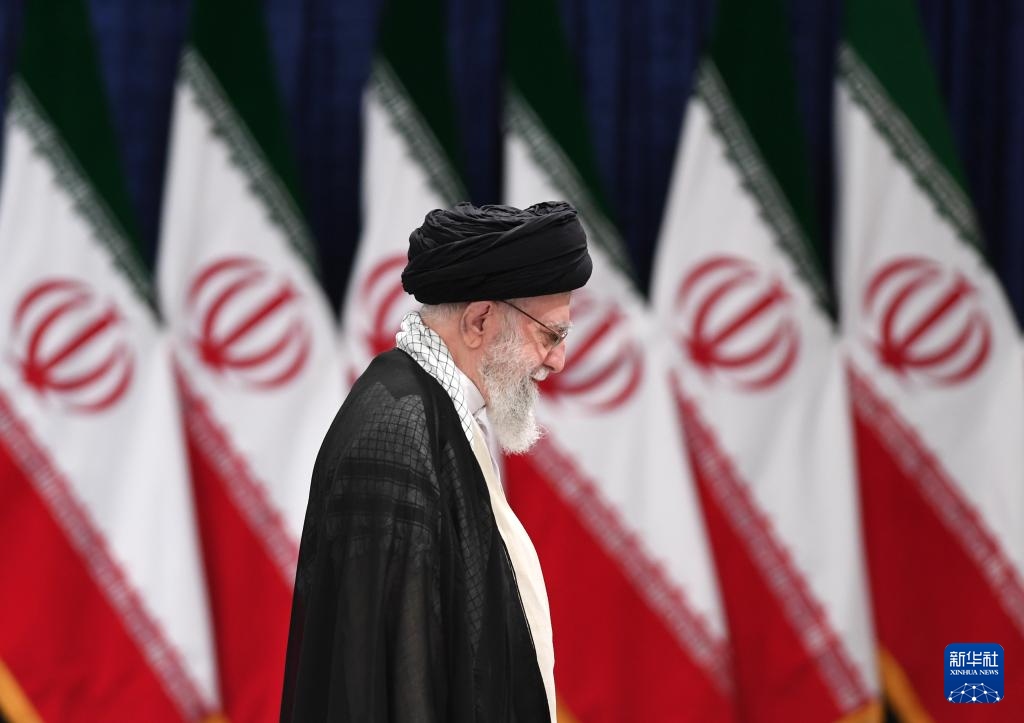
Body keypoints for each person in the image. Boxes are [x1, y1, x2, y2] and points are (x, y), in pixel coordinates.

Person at [280, 201, 592, 722]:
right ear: (480, 320)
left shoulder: (436, 410)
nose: (557, 360)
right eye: (550, 335)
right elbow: (385, 684)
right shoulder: (397, 435)